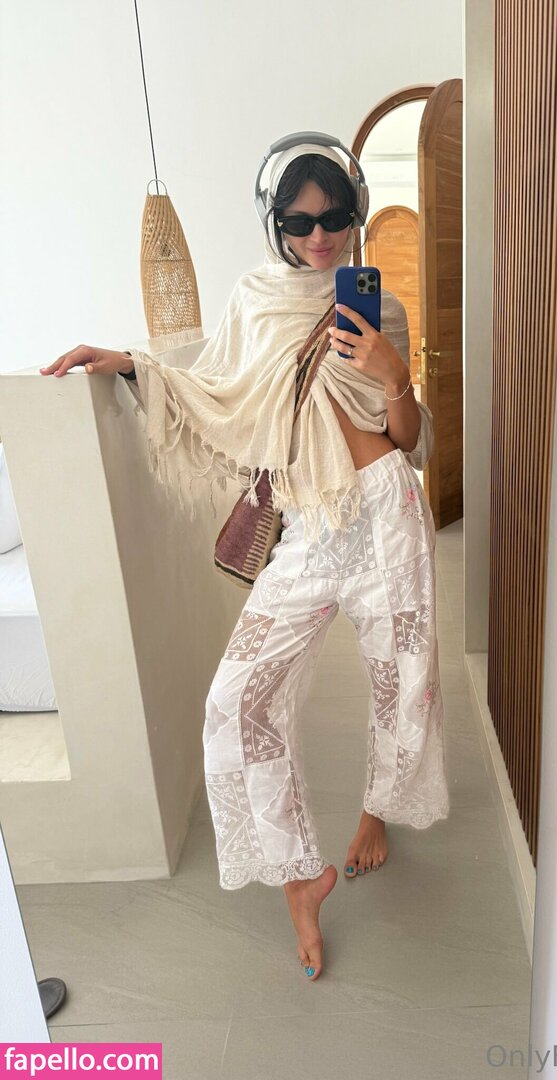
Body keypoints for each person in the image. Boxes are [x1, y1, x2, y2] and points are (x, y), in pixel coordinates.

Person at [39, 136, 450, 982]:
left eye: (336, 217)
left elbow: (410, 442)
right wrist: (129, 364)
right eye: (299, 221)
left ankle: (378, 811)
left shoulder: (380, 307)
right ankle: (299, 874)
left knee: (400, 682)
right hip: (309, 526)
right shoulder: (256, 300)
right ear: (275, 224)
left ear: (356, 214)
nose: (321, 236)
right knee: (236, 699)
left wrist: (393, 376)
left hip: (386, 515)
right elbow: (216, 388)